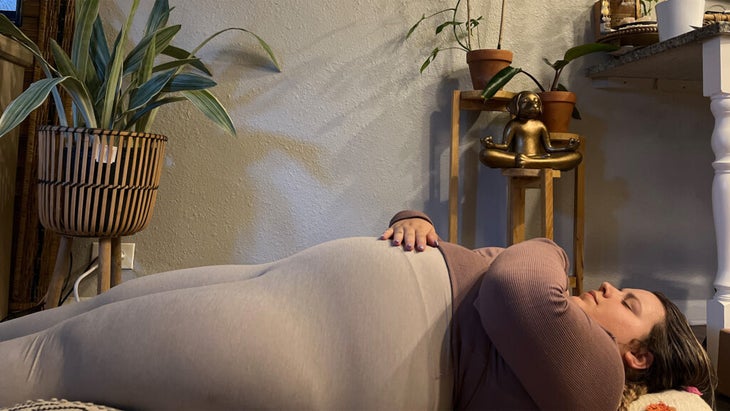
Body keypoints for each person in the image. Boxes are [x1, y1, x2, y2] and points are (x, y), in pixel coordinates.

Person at [0, 211, 716, 410]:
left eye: (626, 304)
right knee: (88, 312)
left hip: (324, 345)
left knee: (61, 358)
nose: (604, 292)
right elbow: (486, 263)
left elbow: (514, 283)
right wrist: (415, 219)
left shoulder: (593, 383)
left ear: (639, 355)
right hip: (306, 282)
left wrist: (552, 247)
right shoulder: (568, 337)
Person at [480, 91, 582, 171]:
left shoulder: (540, 125)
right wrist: (492, 146)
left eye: (536, 102)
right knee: (486, 154)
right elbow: (505, 146)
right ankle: (534, 162)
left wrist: (568, 148)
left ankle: (530, 162)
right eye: (525, 102)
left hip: (537, 158)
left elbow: (549, 148)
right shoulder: (514, 124)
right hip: (517, 156)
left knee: (576, 156)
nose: (533, 105)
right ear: (516, 106)